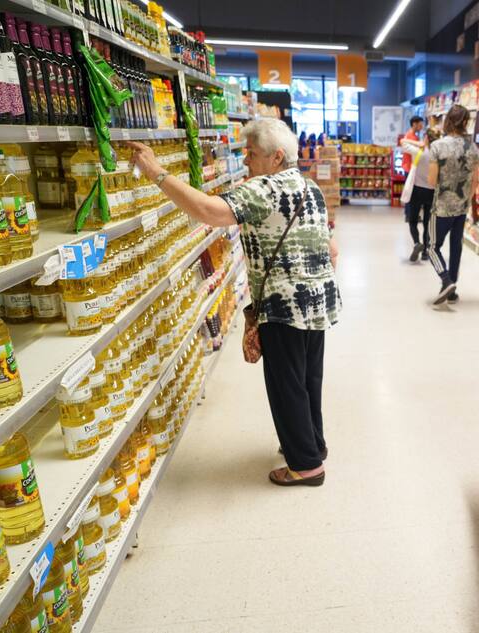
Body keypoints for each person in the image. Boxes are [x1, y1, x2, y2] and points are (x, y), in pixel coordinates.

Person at [127, 118, 341, 488]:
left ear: (276, 157)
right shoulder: (310, 188)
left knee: (286, 385)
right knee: (308, 379)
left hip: (283, 305)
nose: (245, 160)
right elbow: (332, 250)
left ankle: (306, 466)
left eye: (252, 153)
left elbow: (209, 212)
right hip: (319, 300)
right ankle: (313, 445)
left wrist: (157, 173)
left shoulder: (262, 189)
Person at [426, 104, 479, 304]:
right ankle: (452, 288)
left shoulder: (438, 146)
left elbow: (432, 181)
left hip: (441, 207)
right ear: (466, 122)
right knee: (456, 246)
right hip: (462, 207)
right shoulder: (473, 148)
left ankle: (446, 280)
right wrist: (465, 199)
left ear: (448, 120)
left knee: (431, 247)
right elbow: (475, 181)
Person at [401, 128, 441, 262]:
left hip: (417, 191)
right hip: (431, 191)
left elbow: (402, 141)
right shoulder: (438, 155)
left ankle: (417, 242)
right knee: (427, 223)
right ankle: (425, 252)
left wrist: (418, 144)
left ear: (426, 139)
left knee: (412, 221)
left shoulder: (418, 151)